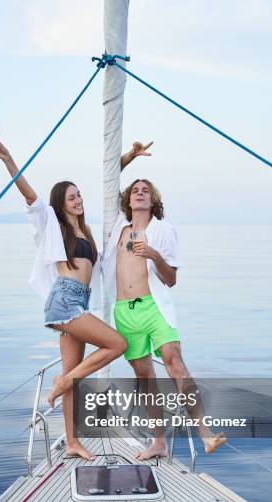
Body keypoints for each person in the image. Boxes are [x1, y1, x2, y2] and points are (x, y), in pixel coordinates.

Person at [0, 138, 135, 460]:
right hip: (64, 301)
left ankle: (72, 442)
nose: (79, 200)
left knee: (75, 379)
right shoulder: (51, 223)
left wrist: (127, 158)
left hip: (78, 302)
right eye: (72, 197)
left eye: (80, 195)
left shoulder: (86, 232)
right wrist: (8, 159)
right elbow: (30, 196)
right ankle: (62, 380)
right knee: (117, 345)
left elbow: (112, 189)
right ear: (61, 203)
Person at [104, 142, 227, 459]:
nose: (139, 192)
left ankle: (206, 434)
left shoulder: (163, 230)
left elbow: (171, 279)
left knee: (175, 363)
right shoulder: (118, 227)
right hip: (124, 311)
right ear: (128, 199)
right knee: (145, 377)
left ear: (153, 199)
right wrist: (129, 157)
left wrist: (155, 255)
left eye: (145, 190)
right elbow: (108, 174)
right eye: (135, 189)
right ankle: (158, 442)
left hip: (153, 307)